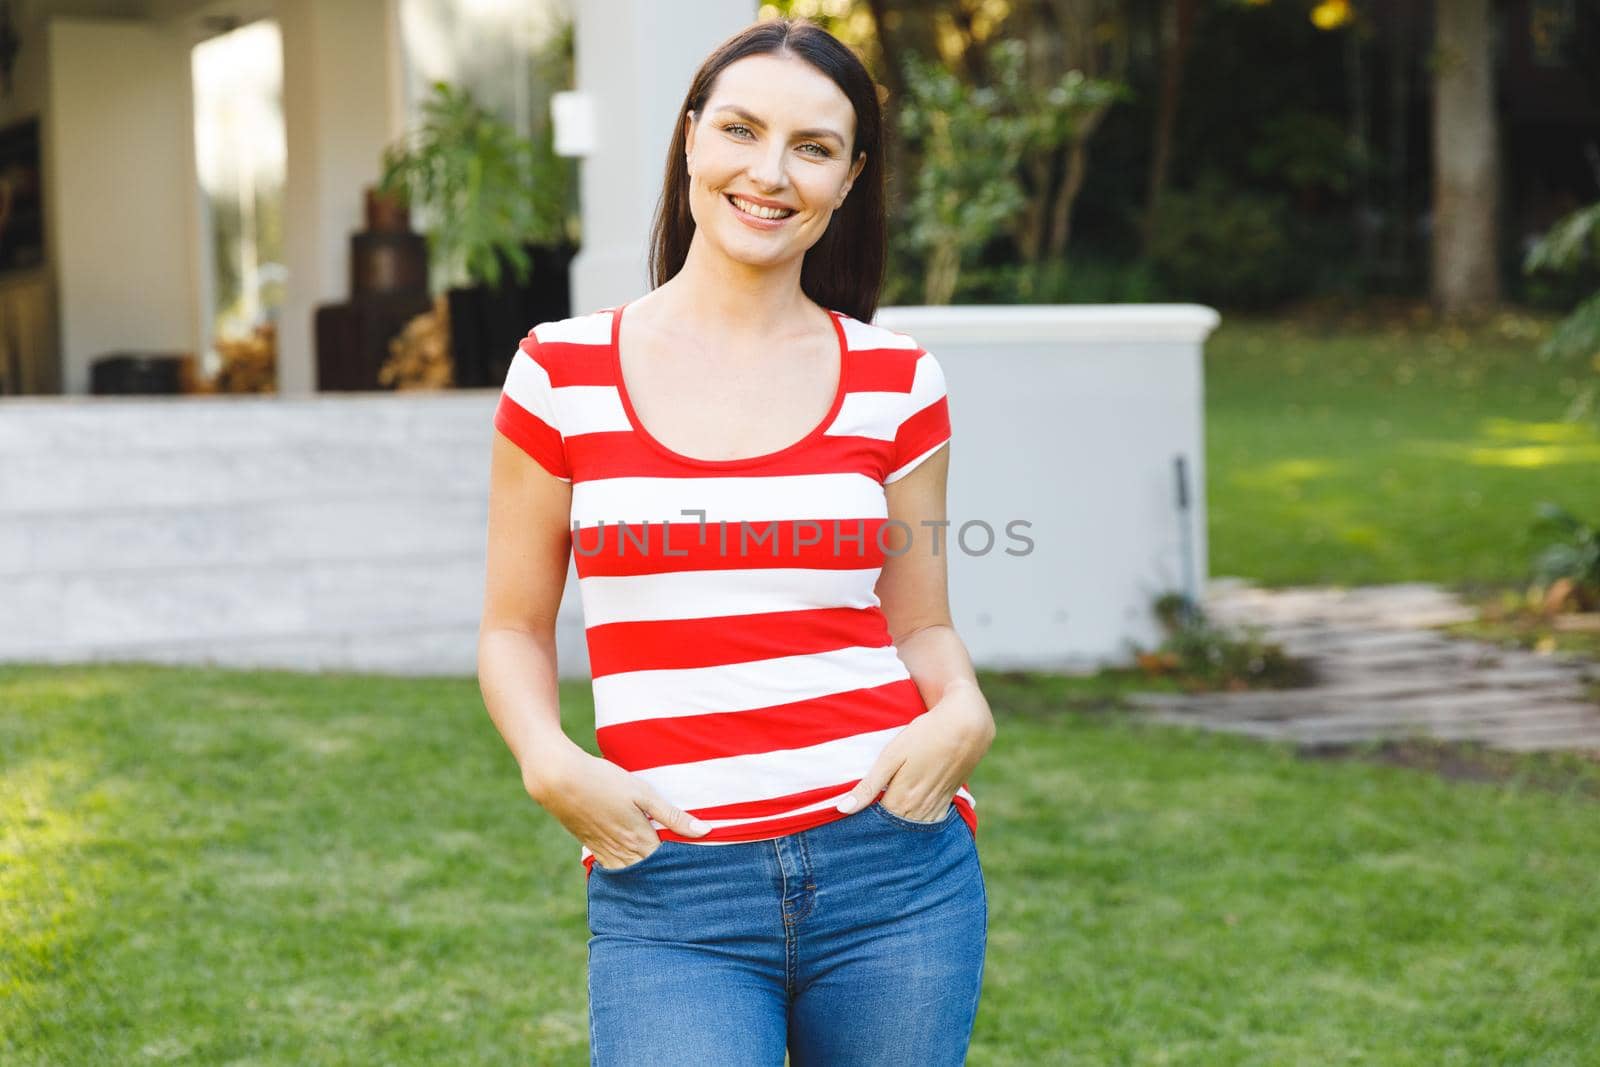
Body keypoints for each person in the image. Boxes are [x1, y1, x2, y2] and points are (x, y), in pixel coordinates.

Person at [479, 16, 995, 1066]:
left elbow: (922, 623)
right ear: (689, 141)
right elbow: (511, 626)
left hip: (894, 870)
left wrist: (966, 707)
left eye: (812, 147)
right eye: (741, 130)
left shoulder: (898, 380)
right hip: (672, 884)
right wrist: (547, 759)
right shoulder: (561, 370)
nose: (769, 172)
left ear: (848, 181)